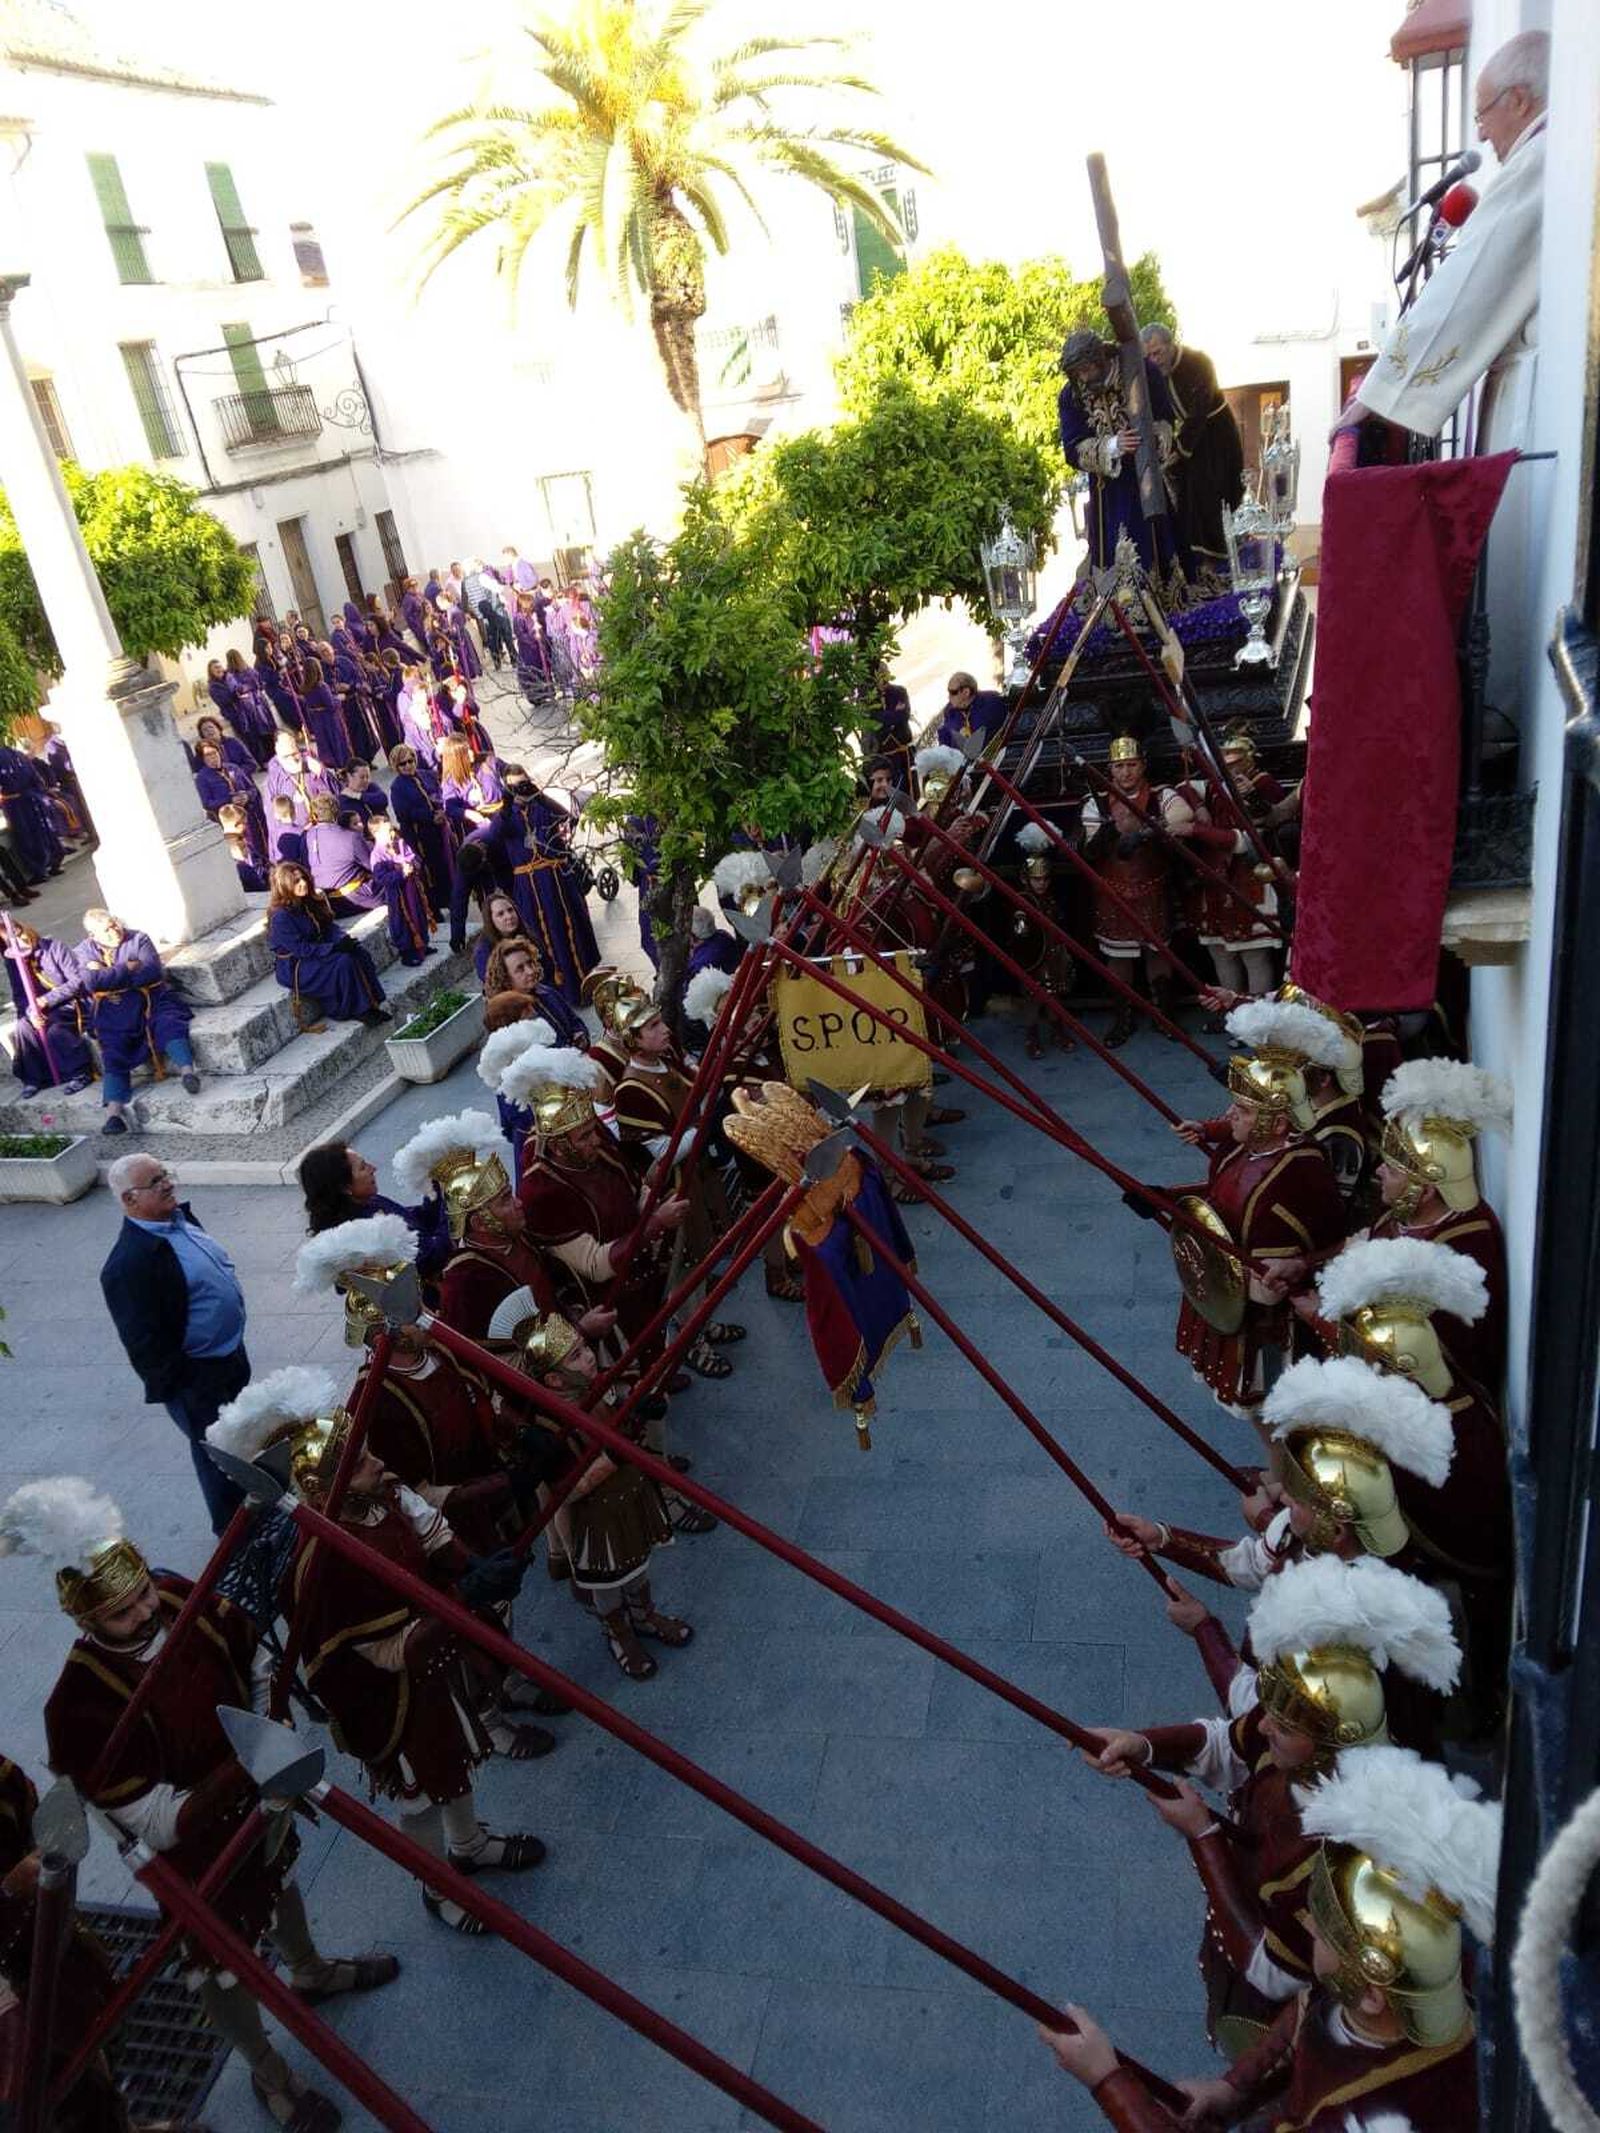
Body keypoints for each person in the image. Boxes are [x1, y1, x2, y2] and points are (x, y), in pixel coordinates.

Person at [11, 1478, 398, 2131]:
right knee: (221, 1968)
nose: (143, 1613)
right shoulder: (77, 1705)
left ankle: (308, 1969)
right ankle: (269, 2074)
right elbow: (152, 1819)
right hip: (189, 1850)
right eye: (122, 1612)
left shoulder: (172, 1594)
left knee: (280, 1886)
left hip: (254, 1792)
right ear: (85, 1620)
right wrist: (246, 1764)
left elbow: (243, 1650)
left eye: (140, 1595)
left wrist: (258, 1722)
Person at [1082, 1557, 1457, 2054]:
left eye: (1281, 1726)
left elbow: (1275, 1973)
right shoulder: (1298, 1733)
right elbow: (1226, 1745)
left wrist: (1204, 1840)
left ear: (1332, 1740)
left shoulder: (1342, 1856)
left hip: (1280, 2004)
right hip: (1245, 1900)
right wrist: (1142, 1745)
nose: (1263, 1727)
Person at [1040, 1744, 1489, 2129]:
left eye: (1326, 1929)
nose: (1309, 1927)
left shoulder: (1371, 2118)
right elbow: (1310, 2010)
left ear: (1373, 1993)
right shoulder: (1405, 1984)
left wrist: (1107, 2080)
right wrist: (1232, 2089)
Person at [1162, 1002, 1348, 1417]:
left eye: (1243, 1109)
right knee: (1251, 1401)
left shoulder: (1300, 1171)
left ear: (1276, 1123)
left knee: (1272, 1403)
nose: (1230, 1114)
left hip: (1272, 1320)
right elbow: (1226, 1160)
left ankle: (1282, 1476)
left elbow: (1327, 1243)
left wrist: (1292, 1266)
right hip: (1233, 1295)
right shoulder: (1246, 1146)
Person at [493, 1306, 691, 1680]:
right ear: (553, 1380)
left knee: (639, 1565)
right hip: (595, 1519)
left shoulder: (595, 1391)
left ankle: (645, 1614)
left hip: (628, 1497)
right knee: (608, 1582)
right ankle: (618, 1632)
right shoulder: (550, 1427)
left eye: (586, 1349)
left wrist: (637, 1408)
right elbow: (569, 1489)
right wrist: (619, 1447)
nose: (589, 1359)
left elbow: (620, 1405)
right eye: (578, 1356)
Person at [99, 1156, 250, 1533]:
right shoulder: (127, 1265)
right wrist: (186, 1381)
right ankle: (233, 1536)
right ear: (129, 1200)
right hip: (198, 1377)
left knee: (243, 1437)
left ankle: (258, 1506)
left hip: (228, 1357)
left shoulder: (178, 1221)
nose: (167, 1184)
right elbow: (144, 1343)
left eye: (164, 1174)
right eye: (154, 1182)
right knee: (216, 1455)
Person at [1371, 1060, 1510, 1393]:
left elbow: (1422, 1355)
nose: (1377, 1172)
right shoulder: (1413, 1214)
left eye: (1391, 1170)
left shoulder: (1460, 1247)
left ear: (1427, 1190)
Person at [1079, 736, 1195, 1046]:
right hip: (1113, 890)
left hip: (1154, 886)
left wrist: (1146, 833)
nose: (1126, 772)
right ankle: (1123, 1018)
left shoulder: (1161, 795)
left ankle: (1164, 1014)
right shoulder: (1097, 802)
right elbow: (1089, 846)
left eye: (1131, 765)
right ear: (1111, 770)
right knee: (1118, 957)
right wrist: (1103, 836)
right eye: (1119, 766)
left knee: (1158, 951)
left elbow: (1182, 817)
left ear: (1142, 765)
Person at [1057, 328, 1183, 575]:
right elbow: (1072, 448)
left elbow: (1165, 416)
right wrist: (1113, 445)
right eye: (1077, 373)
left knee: (1158, 549)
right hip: (1107, 494)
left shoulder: (1141, 369)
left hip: (1148, 480)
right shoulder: (1071, 396)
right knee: (1113, 559)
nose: (1083, 377)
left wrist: (1154, 435)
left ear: (1099, 359)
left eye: (1086, 369)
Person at [75, 909, 201, 1135]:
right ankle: (113, 1114)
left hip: (151, 999)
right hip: (115, 1010)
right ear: (93, 936)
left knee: (168, 1023)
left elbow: (150, 972)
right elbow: (91, 982)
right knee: (113, 1048)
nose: (115, 930)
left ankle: (187, 1072)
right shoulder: (84, 951)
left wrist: (108, 977)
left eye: (115, 924)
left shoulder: (138, 938)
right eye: (107, 930)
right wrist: (125, 968)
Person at [1140, 324, 1245, 569]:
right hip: (1191, 445)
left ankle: (1223, 564)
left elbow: (1198, 413)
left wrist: (1178, 450)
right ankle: (1197, 565)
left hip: (1218, 440)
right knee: (1188, 503)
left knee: (1215, 499)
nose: (1154, 361)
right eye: (1149, 356)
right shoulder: (1155, 376)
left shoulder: (1199, 362)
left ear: (1171, 344)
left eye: (1158, 352)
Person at [299, 1138, 451, 1280]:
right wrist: (452, 1198)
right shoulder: (367, 1232)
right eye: (363, 1167)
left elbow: (420, 1222)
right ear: (345, 1187)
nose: (374, 1168)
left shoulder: (368, 1202)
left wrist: (434, 1184)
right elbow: (434, 1256)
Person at [265, 861, 390, 1028]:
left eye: (303, 879)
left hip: (316, 950)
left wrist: (341, 940)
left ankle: (372, 1003)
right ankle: (355, 1010)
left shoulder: (307, 902)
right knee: (342, 963)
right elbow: (301, 949)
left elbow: (328, 926)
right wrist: (333, 948)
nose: (302, 884)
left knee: (359, 953)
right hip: (297, 964)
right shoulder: (281, 917)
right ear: (285, 886)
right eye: (296, 882)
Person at [2, 917, 94, 1096]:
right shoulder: (12, 960)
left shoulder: (54, 947)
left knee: (54, 1028)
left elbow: (77, 981)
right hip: (37, 1009)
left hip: (68, 1004)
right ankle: (35, 1079)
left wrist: (46, 1000)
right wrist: (30, 1013)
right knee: (23, 1027)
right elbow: (19, 995)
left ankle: (80, 1072)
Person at [483, 929, 589, 1050]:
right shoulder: (507, 1014)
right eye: (520, 969)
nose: (531, 971)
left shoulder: (547, 992)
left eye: (530, 963)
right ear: (505, 977)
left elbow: (575, 1021)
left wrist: (581, 1036)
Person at [304, 793, 381, 913]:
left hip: (326, 901)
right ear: (337, 813)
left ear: (315, 814)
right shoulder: (351, 837)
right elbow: (373, 866)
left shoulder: (309, 834)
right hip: (353, 898)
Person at [264, 732, 336, 828]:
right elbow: (273, 820)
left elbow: (336, 791)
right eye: (286, 756)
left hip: (324, 828)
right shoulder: (274, 780)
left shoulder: (311, 764)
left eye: (294, 754)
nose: (292, 760)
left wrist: (323, 773)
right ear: (278, 755)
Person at [935, 671, 1007, 748]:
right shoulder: (950, 710)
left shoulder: (991, 701)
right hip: (956, 757)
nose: (949, 697)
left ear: (966, 692)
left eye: (953, 692)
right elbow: (945, 737)